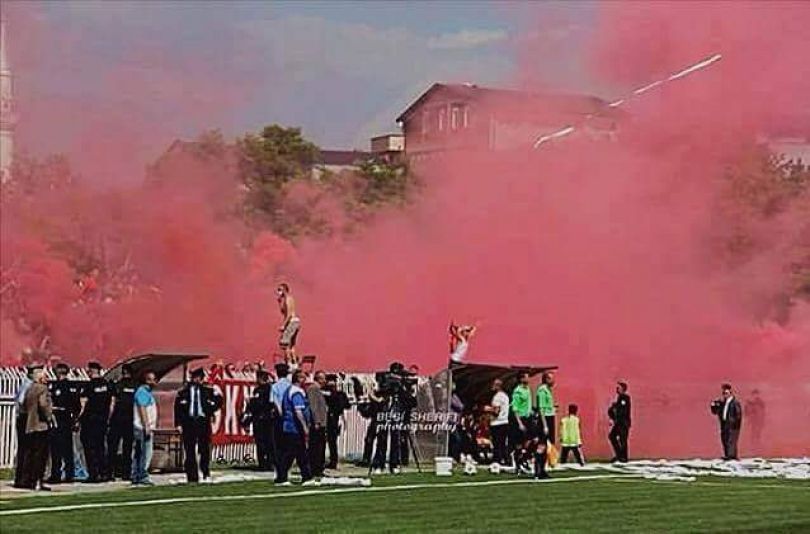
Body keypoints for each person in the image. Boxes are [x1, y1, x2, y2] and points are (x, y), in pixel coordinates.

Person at [174, 368, 223, 483]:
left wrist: (210, 410)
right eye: (195, 377)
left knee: (204, 448)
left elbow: (219, 401)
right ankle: (192, 476)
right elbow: (177, 409)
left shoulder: (207, 391)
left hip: (203, 422)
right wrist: (178, 424)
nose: (196, 380)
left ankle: (205, 471)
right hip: (189, 423)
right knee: (189, 449)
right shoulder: (183, 392)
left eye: (199, 378)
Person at [275, 370, 314, 486]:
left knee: (296, 453)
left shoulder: (289, 390)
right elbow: (298, 411)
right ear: (299, 379)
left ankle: (301, 476)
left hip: (289, 426)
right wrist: (304, 426)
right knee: (294, 453)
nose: (305, 380)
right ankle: (285, 477)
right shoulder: (296, 392)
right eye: (303, 377)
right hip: (294, 427)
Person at [78, 361, 112, 482]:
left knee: (89, 448)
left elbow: (83, 404)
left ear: (91, 371)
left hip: (89, 420)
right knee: (101, 447)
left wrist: (77, 419)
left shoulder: (89, 386)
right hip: (102, 420)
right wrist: (108, 417)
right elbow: (112, 403)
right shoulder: (107, 385)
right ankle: (104, 473)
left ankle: (94, 474)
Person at [21, 368, 54, 491]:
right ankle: (38, 480)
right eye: (45, 376)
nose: (47, 379)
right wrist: (49, 416)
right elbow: (43, 404)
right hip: (41, 425)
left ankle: (29, 480)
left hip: (30, 424)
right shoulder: (42, 389)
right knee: (41, 455)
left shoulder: (29, 389)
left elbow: (24, 405)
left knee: (31, 453)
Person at [47, 363, 80, 483]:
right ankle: (68, 474)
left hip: (60, 418)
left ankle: (57, 474)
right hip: (66, 419)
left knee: (57, 448)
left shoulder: (58, 386)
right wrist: (75, 419)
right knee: (66, 448)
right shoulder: (72, 386)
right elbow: (77, 406)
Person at [107, 363, 137, 480]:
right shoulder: (136, 386)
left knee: (113, 447)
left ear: (122, 373)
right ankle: (126, 473)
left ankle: (110, 472)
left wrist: (109, 419)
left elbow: (112, 404)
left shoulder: (117, 385)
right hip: (130, 420)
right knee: (127, 448)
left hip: (117, 419)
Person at [243, 370, 275, 471]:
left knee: (264, 442)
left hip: (263, 418)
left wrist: (251, 402)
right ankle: (266, 463)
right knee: (264, 442)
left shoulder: (266, 389)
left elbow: (261, 404)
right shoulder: (260, 389)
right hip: (263, 418)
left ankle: (266, 463)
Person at [132, 370, 158, 486]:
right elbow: (142, 409)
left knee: (140, 453)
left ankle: (136, 475)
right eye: (153, 379)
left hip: (142, 427)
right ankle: (142, 475)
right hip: (142, 428)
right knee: (145, 453)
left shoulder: (146, 393)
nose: (155, 382)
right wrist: (146, 426)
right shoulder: (142, 392)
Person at [13, 365, 36, 489]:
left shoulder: (26, 384)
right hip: (25, 418)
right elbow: (22, 401)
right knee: (27, 449)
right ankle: (23, 479)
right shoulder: (28, 385)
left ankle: (22, 478)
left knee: (25, 449)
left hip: (23, 418)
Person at [710, 383, 743, 461]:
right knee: (725, 440)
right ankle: (727, 455)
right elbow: (715, 412)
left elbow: (738, 415)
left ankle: (731, 456)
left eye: (726, 393)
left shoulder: (735, 403)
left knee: (731, 440)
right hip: (724, 425)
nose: (725, 395)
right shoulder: (722, 403)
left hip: (732, 426)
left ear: (730, 393)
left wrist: (734, 423)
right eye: (724, 393)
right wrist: (713, 405)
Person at [324, 374, 349, 470]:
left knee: (332, 441)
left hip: (334, 419)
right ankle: (332, 460)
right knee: (331, 441)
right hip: (331, 418)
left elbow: (346, 406)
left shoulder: (338, 394)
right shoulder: (333, 394)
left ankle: (333, 461)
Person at [270, 362, 292, 468]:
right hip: (290, 415)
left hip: (279, 417)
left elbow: (274, 402)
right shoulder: (290, 386)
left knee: (278, 442)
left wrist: (280, 414)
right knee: (288, 441)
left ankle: (279, 463)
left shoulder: (275, 386)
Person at [307, 371, 328, 477]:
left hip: (321, 423)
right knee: (316, 447)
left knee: (321, 447)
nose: (325, 381)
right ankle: (315, 468)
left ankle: (319, 468)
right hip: (317, 424)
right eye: (323, 378)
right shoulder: (313, 389)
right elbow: (313, 406)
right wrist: (317, 421)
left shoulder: (318, 390)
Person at [276, 283, 301, 367]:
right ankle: (294, 363)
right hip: (295, 322)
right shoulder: (288, 299)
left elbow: (289, 314)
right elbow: (283, 312)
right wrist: (280, 302)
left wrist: (284, 325)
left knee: (284, 343)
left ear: (284, 290)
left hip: (291, 322)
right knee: (291, 345)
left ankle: (290, 364)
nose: (278, 292)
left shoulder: (288, 299)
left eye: (280, 290)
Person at [487, 378, 510, 466]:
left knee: (496, 444)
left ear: (498, 386)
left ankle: (497, 461)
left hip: (497, 423)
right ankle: (504, 459)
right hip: (505, 421)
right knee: (502, 443)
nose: (491, 386)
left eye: (493, 385)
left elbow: (496, 411)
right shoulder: (505, 396)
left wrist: (487, 409)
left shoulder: (497, 397)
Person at [608, 381, 632, 463]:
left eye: (618, 387)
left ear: (623, 389)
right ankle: (619, 455)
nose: (617, 389)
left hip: (623, 423)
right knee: (612, 436)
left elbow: (623, 411)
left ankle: (623, 457)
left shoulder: (625, 397)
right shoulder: (619, 398)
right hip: (618, 422)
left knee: (622, 439)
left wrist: (615, 410)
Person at [536, 372, 557, 445]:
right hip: (545, 418)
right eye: (550, 378)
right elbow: (541, 409)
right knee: (543, 442)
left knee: (550, 442)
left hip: (550, 416)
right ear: (546, 379)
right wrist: (545, 426)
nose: (553, 380)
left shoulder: (548, 390)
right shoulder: (542, 391)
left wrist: (553, 407)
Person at [745, 389, 765, 453]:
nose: (756, 396)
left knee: (757, 433)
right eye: (754, 394)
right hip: (754, 421)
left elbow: (762, 412)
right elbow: (747, 412)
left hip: (758, 421)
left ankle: (756, 445)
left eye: (756, 394)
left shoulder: (760, 402)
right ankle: (754, 445)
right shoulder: (751, 403)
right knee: (753, 433)